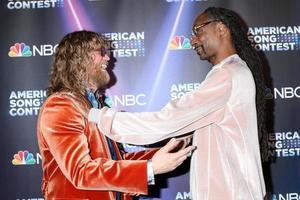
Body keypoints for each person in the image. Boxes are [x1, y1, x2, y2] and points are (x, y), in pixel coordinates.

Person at [88, 7, 268, 200]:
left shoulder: (227, 75)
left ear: (221, 29)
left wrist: (99, 116)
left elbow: (166, 121)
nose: (192, 40)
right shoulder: (233, 71)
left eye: (198, 31)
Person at [36, 30, 196, 200]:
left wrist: (168, 150)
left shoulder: (95, 105)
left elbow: (118, 159)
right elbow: (81, 172)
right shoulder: (61, 106)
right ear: (80, 58)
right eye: (102, 52)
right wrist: (150, 168)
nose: (108, 58)